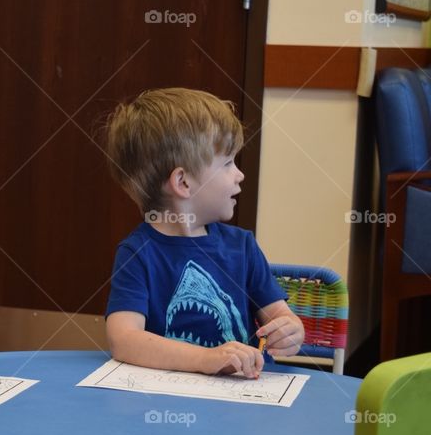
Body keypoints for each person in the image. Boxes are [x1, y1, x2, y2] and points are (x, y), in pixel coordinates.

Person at [102, 88, 304, 379]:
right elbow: (124, 340)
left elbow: (279, 315)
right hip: (162, 403)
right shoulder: (137, 253)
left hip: (244, 401)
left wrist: (290, 329)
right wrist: (206, 358)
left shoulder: (242, 247)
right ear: (182, 182)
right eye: (227, 163)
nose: (239, 174)